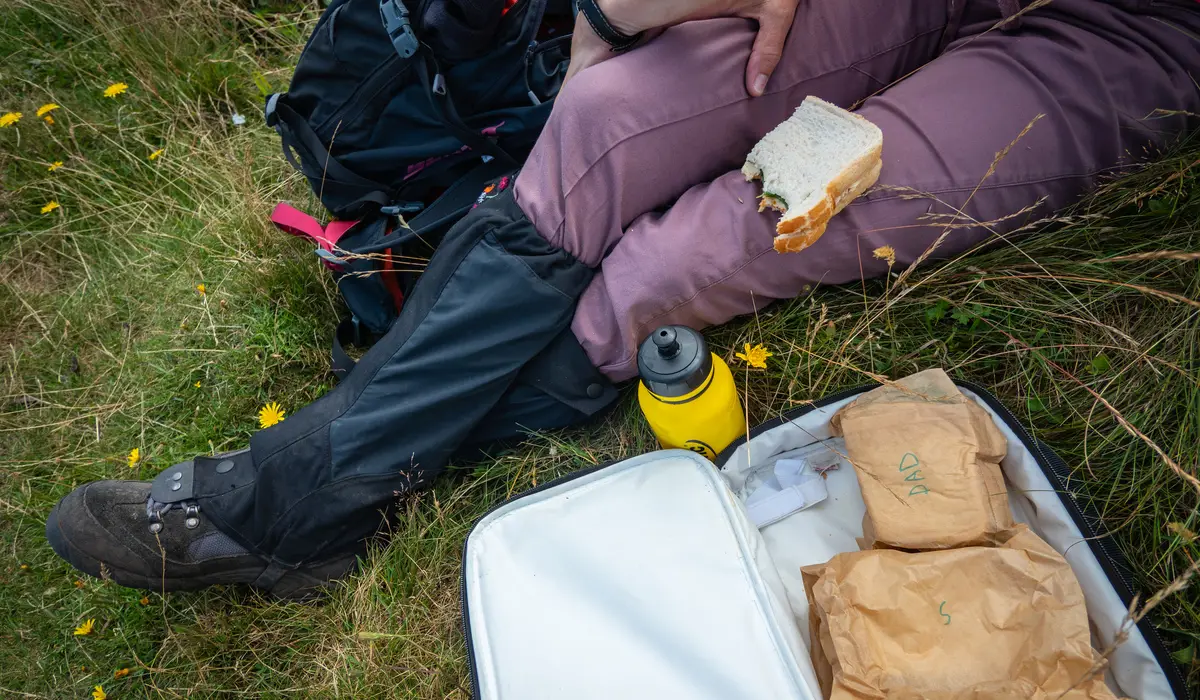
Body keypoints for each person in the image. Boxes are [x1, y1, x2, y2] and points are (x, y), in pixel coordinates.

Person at [46, 0, 1200, 596]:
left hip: (1129, 28)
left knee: (693, 253)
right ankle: (321, 485)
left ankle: (290, 496)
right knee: (600, 124)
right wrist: (613, 16)